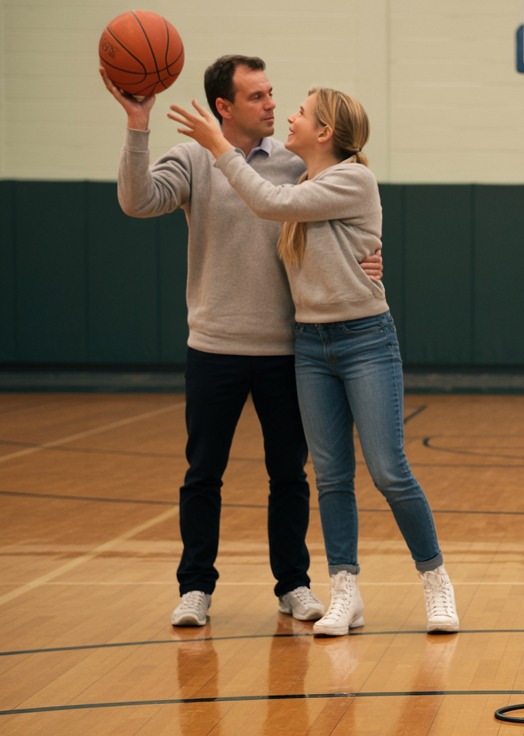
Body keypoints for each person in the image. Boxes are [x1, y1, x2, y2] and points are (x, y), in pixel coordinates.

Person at [167, 87, 459, 637]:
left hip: (365, 340)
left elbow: (271, 205)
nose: (289, 118)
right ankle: (345, 591)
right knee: (330, 477)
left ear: (324, 133)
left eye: (299, 112)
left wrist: (216, 144)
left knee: (389, 470)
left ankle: (435, 581)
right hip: (309, 346)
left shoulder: (352, 178)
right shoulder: (302, 182)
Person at [104, 54, 382, 627]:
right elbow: (137, 201)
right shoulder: (192, 159)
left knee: (290, 476)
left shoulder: (295, 164)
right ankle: (196, 588)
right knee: (203, 473)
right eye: (257, 97)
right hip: (214, 345)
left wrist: (370, 260)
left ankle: (294, 584)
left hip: (288, 349)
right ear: (223, 107)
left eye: (273, 93)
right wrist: (138, 125)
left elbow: (346, 223)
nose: (272, 104)